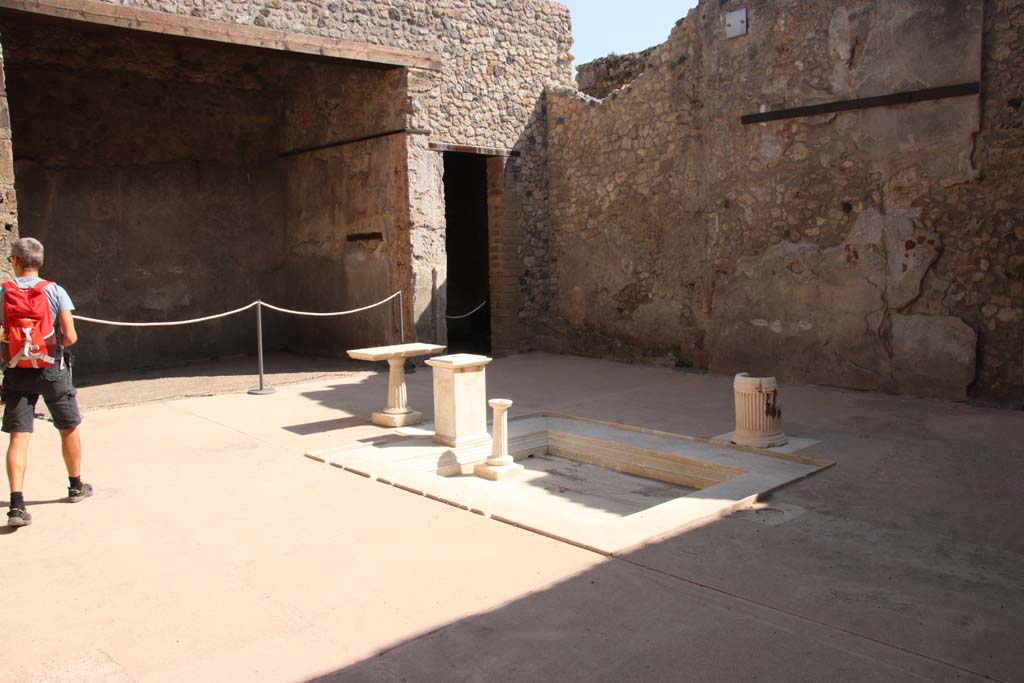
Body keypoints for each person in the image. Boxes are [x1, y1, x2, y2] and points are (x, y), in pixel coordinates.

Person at [2, 237, 90, 527]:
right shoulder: (54, 291)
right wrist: (53, 349)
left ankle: (16, 504)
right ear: (39, 261)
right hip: (51, 369)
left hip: (16, 370)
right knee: (68, 428)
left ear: (14, 260)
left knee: (19, 436)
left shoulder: (3, 292)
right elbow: (71, 335)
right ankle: (76, 486)